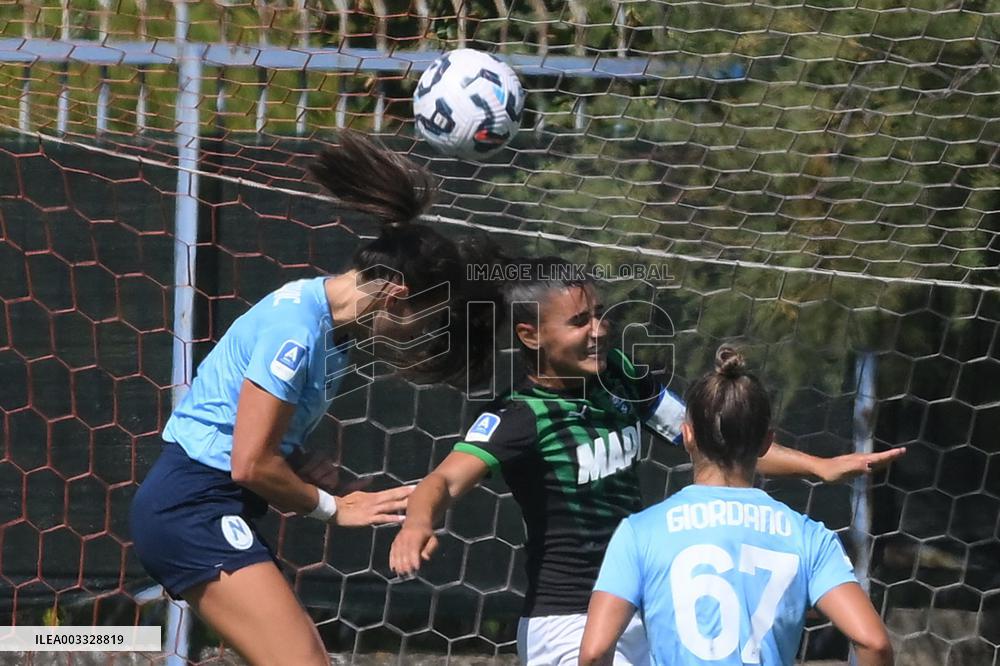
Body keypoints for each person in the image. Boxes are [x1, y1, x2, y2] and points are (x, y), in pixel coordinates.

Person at [388, 257, 903, 666]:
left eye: (598, 315)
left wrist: (821, 467)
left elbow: (718, 441)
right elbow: (443, 481)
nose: (599, 330)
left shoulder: (620, 376)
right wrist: (416, 524)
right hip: (567, 619)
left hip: (637, 609)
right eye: (578, 321)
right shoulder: (519, 416)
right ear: (530, 336)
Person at [129, 132, 502, 666]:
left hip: (207, 507)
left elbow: (250, 434)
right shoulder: (297, 329)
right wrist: (333, 509)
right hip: (190, 508)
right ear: (396, 294)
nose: (418, 337)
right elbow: (249, 463)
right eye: (425, 321)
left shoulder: (331, 332)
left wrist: (314, 468)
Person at [578, 346, 893, 666]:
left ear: (687, 435)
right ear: (767, 442)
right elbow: (874, 643)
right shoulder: (809, 537)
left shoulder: (639, 533)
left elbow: (593, 653)